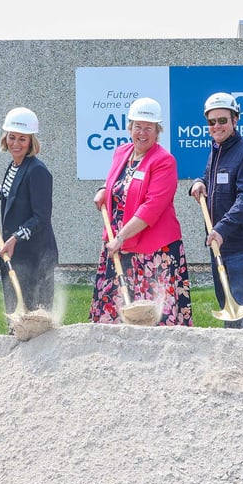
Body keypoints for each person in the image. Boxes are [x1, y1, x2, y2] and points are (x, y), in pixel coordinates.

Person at [90, 96, 193, 326]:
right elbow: (120, 184)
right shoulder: (122, 153)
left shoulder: (164, 161)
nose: (142, 133)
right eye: (138, 126)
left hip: (154, 253)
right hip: (121, 247)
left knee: (156, 318)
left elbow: (151, 207)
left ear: (158, 131)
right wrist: (104, 189)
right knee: (115, 313)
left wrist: (121, 236)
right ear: (129, 127)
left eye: (149, 128)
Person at [189, 92, 243, 328]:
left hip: (241, 248)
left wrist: (221, 229)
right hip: (220, 246)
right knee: (228, 309)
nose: (217, 126)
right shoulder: (216, 150)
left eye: (222, 120)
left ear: (235, 120)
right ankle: (233, 361)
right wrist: (199, 182)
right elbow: (212, 179)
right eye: (211, 122)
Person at [0, 107, 58, 313]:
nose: (16, 143)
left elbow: (41, 218)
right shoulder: (15, 165)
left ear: (31, 141)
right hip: (14, 252)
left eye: (22, 139)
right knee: (15, 311)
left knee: (34, 314)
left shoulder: (38, 171)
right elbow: (12, 190)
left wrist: (14, 238)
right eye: (12, 137)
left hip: (34, 255)